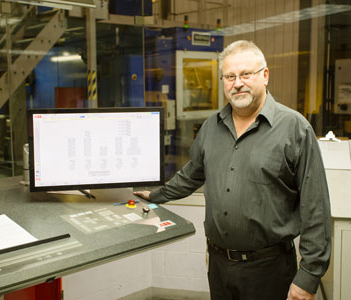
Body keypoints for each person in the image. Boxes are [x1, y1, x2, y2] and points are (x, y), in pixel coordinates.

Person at [134, 40, 331, 300]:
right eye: (229, 76)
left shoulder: (295, 128)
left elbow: (315, 207)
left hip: (270, 270)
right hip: (219, 266)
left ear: (265, 75)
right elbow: (192, 174)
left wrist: (308, 277)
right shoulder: (211, 127)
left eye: (246, 74)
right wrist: (156, 194)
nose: (237, 83)